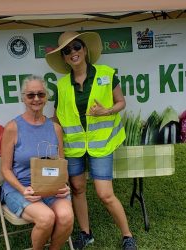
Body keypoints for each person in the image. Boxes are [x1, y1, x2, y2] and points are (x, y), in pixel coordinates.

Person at [45, 31, 137, 250]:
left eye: (76, 47)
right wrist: (37, 123)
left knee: (105, 194)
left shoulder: (106, 74)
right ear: (64, 58)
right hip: (74, 146)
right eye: (67, 51)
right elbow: (58, 117)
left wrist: (107, 111)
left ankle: (127, 236)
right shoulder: (62, 86)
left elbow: (121, 102)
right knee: (77, 189)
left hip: (102, 142)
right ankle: (86, 233)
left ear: (85, 49)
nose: (73, 53)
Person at [1, 75, 74, 250]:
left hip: (51, 187)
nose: (36, 99)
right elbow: (5, 169)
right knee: (46, 218)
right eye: (31, 95)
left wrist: (63, 183)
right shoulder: (12, 127)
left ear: (46, 97)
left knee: (66, 218)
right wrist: (23, 190)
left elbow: (61, 163)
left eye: (41, 94)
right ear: (23, 98)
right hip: (21, 188)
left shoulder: (55, 128)